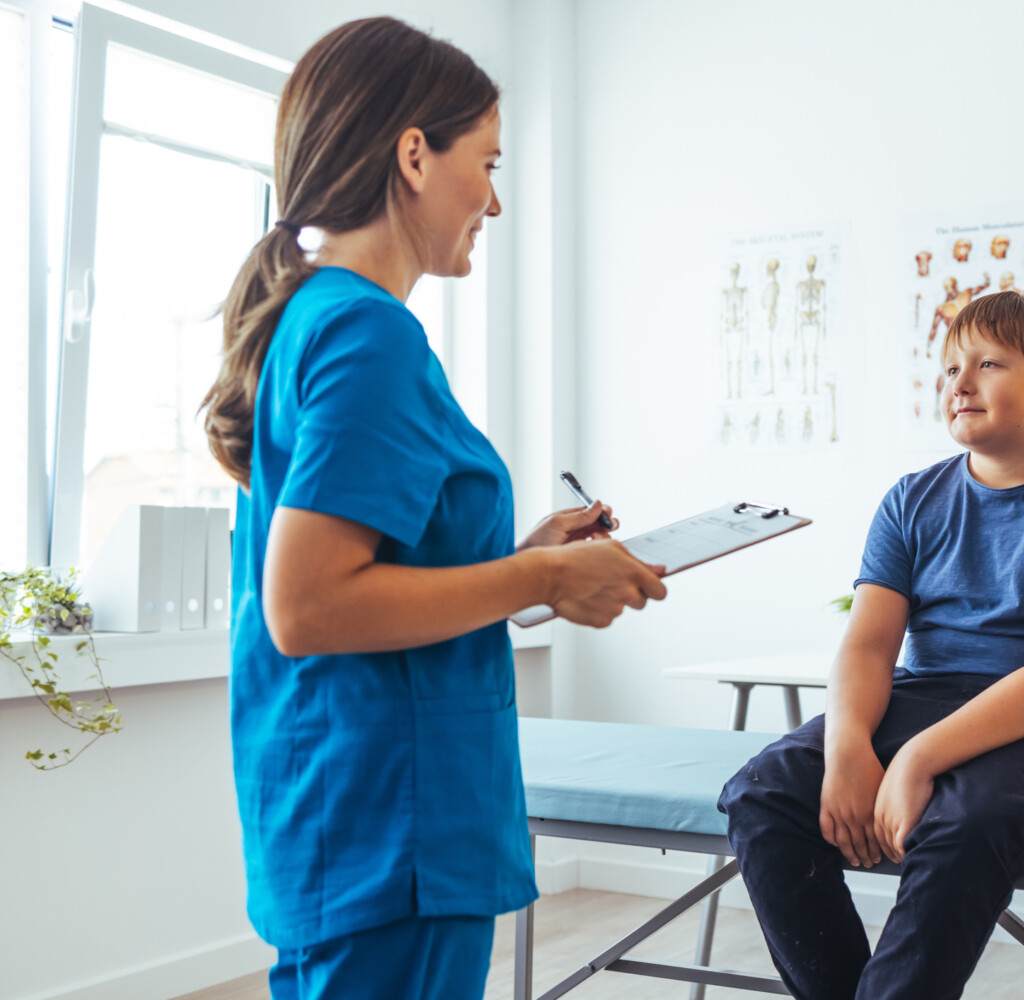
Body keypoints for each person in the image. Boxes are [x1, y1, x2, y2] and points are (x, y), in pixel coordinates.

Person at [199, 18, 667, 999]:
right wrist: (541, 574)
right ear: (414, 153)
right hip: (388, 828)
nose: (493, 199)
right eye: (486, 163)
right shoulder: (370, 336)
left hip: (356, 815)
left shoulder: (318, 322)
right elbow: (309, 606)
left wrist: (531, 551)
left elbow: (376, 570)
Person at [719, 291, 1024, 1000]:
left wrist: (915, 756)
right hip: (929, 695)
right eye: (949, 369)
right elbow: (867, 648)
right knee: (761, 797)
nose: (959, 384)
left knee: (965, 823)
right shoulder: (910, 500)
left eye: (988, 364)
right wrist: (851, 744)